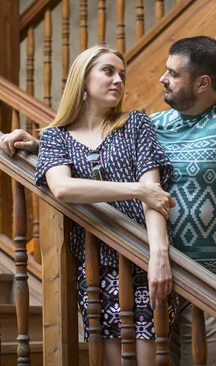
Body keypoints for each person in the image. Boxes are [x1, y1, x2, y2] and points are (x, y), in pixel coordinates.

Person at [0, 36, 216, 366]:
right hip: (142, 263)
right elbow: (99, 147)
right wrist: (41, 146)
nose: (161, 78)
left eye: (172, 73)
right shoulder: (153, 123)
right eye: (110, 72)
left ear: (202, 83)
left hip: (201, 276)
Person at [28, 45, 176, 365]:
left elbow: (155, 197)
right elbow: (63, 188)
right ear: (83, 79)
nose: (118, 80)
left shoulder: (135, 124)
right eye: (108, 71)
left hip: (143, 260)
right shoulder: (56, 137)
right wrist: (137, 190)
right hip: (97, 267)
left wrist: (159, 255)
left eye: (122, 74)